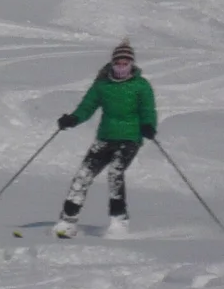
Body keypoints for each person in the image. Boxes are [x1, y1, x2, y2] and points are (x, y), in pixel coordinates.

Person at [52, 39, 157, 238]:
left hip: (130, 137)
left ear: (132, 64)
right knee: (83, 174)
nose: (121, 67)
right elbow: (87, 106)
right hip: (106, 137)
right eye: (118, 63)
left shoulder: (141, 86)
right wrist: (73, 119)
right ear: (112, 63)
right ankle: (67, 221)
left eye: (126, 63)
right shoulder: (102, 85)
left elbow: (148, 109)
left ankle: (119, 222)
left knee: (115, 172)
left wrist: (148, 126)